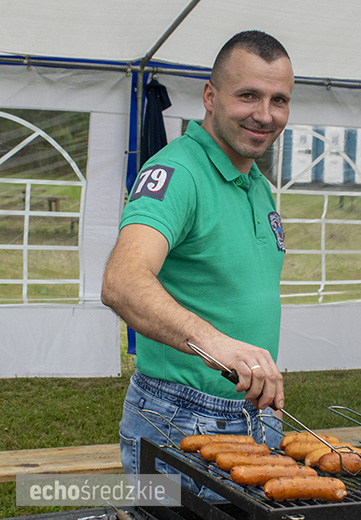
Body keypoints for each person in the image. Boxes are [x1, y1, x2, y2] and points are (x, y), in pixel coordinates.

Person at [101, 30, 294, 494]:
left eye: (279, 100)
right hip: (183, 416)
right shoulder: (177, 173)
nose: (264, 115)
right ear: (210, 96)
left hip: (252, 414)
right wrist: (216, 343)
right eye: (248, 95)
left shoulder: (256, 181)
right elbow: (122, 280)